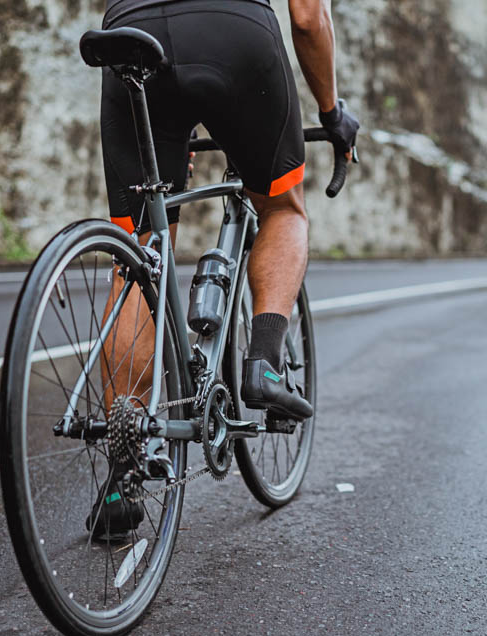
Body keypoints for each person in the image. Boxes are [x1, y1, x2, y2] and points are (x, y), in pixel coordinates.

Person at [89, 0, 359, 536]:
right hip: (232, 32)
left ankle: (124, 473)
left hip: (131, 32)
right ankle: (263, 363)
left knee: (138, 255)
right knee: (283, 209)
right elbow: (307, 17)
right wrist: (332, 113)